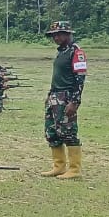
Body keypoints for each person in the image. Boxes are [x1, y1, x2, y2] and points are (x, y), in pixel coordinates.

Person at [40, 20, 87, 179]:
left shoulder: (76, 52)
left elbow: (80, 78)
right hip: (54, 96)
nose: (56, 38)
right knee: (51, 131)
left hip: (66, 97)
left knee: (68, 132)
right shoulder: (61, 51)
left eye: (59, 34)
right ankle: (58, 166)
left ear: (68, 34)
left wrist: (74, 101)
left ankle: (74, 169)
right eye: (54, 35)